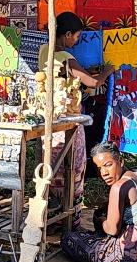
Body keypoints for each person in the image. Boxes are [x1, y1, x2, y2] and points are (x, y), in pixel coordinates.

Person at [38, 11, 115, 218]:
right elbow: (93, 83)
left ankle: (51, 216)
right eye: (77, 37)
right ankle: (71, 219)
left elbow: (67, 75)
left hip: (49, 124)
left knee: (52, 171)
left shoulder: (44, 51)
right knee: (74, 168)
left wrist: (87, 72)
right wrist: (107, 71)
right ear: (68, 34)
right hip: (66, 123)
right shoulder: (64, 56)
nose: (77, 41)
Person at [61, 142, 137, 262]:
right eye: (98, 168)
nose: (103, 173)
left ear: (120, 161)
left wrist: (100, 221)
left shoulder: (119, 187)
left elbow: (112, 230)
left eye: (108, 165)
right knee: (100, 216)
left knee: (68, 238)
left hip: (132, 261)